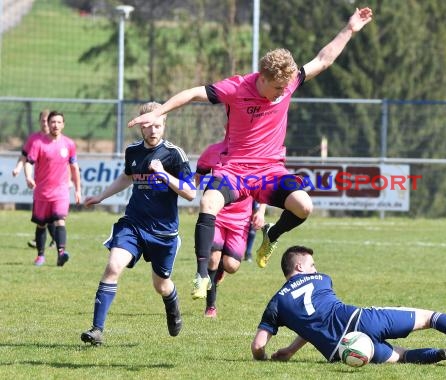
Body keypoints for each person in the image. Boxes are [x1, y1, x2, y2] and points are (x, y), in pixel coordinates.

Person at [128, 7, 374, 299]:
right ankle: (201, 275)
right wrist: (159, 112)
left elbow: (324, 59)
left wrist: (349, 28)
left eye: (287, 86)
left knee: (304, 206)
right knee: (208, 203)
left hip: (270, 171)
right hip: (234, 170)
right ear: (264, 78)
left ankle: (272, 235)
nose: (283, 92)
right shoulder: (237, 88)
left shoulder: (289, 82)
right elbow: (193, 93)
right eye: (278, 87)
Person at [251, 246, 446, 365]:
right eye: (311, 264)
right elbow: (322, 313)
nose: (315, 268)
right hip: (361, 320)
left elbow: (258, 345)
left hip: (340, 351)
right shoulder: (322, 279)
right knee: (431, 318)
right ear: (300, 267)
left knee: (401, 357)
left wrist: (274, 356)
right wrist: (290, 350)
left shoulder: (277, 303)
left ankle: (441, 353)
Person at [80, 102, 196, 346]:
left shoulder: (175, 154)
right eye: (148, 126)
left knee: (161, 285)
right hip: (133, 225)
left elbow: (190, 193)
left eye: (157, 125)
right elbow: (127, 176)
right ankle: (97, 330)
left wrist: (164, 174)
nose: (153, 130)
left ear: (164, 125)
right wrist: (101, 196)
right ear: (140, 127)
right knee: (113, 267)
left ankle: (172, 304)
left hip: (164, 233)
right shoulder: (132, 151)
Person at [195, 141, 266, 318]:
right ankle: (210, 306)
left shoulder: (254, 153)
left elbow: (265, 184)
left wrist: (261, 211)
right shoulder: (213, 150)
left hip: (240, 218)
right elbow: (197, 175)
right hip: (216, 214)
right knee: (213, 258)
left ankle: (218, 272)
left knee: (231, 266)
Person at [24, 111, 81, 267]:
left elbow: (74, 168)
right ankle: (40, 255)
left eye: (58, 122)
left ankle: (61, 253)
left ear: (63, 124)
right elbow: (29, 162)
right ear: (48, 125)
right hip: (42, 192)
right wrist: (28, 177)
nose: (55, 125)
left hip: (61, 191)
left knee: (59, 221)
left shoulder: (69, 144)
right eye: (53, 122)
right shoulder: (38, 144)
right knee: (41, 224)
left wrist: (77, 190)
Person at [12, 109, 56, 251]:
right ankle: (50, 240)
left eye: (47, 120)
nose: (45, 123)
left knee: (52, 214)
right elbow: (24, 156)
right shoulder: (34, 139)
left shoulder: (58, 139)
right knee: (44, 215)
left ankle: (54, 241)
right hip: (40, 182)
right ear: (40, 121)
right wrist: (18, 168)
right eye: (43, 120)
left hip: (56, 183)